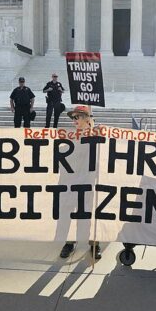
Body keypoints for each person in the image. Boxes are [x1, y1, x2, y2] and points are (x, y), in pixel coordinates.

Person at [59, 105, 102, 260]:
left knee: (90, 213)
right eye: (73, 118)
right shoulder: (70, 136)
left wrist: (93, 129)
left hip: (89, 181)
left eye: (77, 117)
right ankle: (69, 242)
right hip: (72, 181)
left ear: (86, 118)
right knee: (70, 212)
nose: (74, 120)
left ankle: (94, 244)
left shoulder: (96, 135)